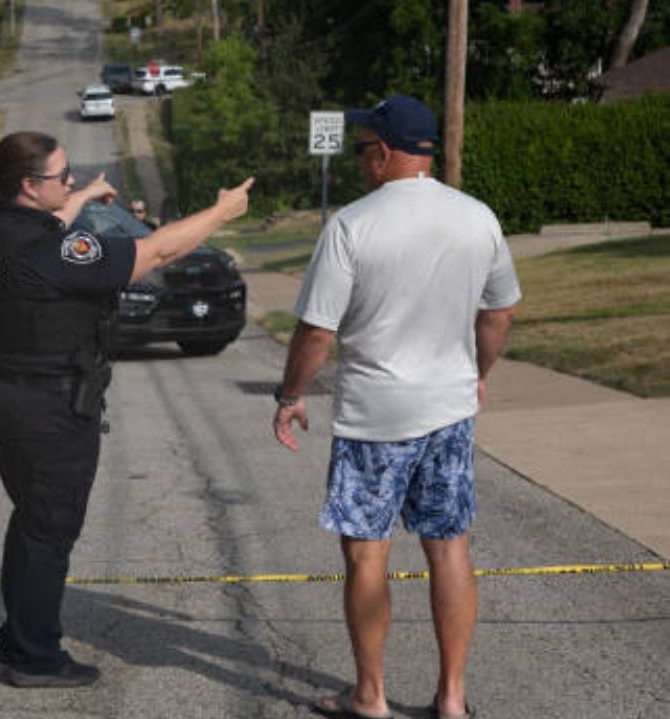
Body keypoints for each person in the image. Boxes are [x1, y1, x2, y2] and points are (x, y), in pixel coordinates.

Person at [0, 131, 254, 688]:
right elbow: (158, 251)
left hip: (4, 390)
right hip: (48, 406)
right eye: (62, 176)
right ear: (29, 185)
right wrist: (221, 211)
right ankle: (33, 657)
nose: (69, 182)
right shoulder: (51, 252)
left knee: (31, 521)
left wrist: (82, 195)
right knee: (50, 530)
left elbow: (50, 222)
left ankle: (17, 639)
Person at [271, 95, 519, 719]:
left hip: (375, 418)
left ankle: (371, 696)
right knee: (450, 548)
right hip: (449, 410)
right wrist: (477, 375)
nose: (359, 161)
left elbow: (317, 333)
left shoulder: (352, 225)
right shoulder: (477, 217)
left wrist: (291, 395)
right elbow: (499, 313)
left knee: (366, 554)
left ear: (383, 153)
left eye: (363, 150)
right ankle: (453, 700)